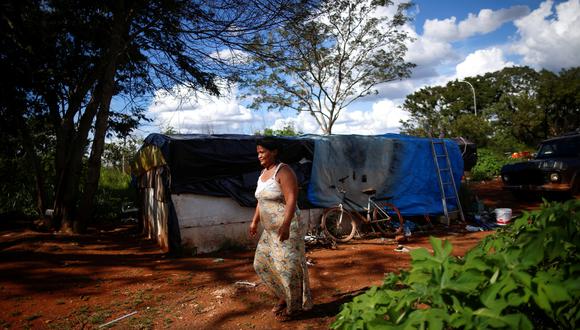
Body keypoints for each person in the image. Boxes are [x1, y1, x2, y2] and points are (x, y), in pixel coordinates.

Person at [249, 138, 312, 321]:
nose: (259, 155)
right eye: (258, 152)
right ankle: (284, 295)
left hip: (288, 226)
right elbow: (260, 201)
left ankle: (295, 307)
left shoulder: (283, 170)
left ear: (274, 151)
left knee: (288, 268)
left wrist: (285, 226)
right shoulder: (263, 174)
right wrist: (254, 222)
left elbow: (292, 199)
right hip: (270, 230)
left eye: (262, 152)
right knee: (261, 264)